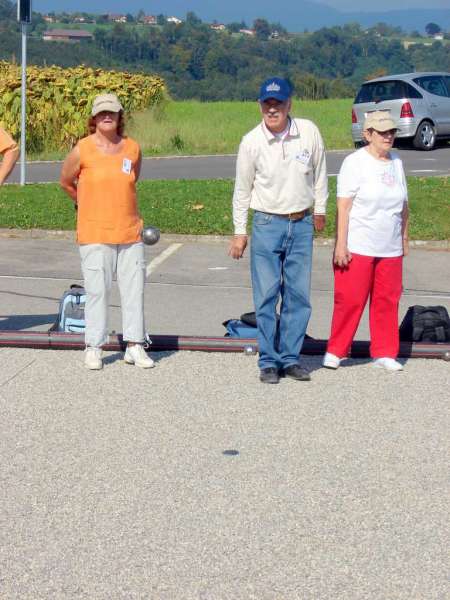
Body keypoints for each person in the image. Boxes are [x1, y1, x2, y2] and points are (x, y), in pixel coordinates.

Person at [229, 77, 328, 384]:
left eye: (278, 104)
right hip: (267, 223)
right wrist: (239, 231)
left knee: (298, 294)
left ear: (289, 105)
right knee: (267, 294)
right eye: (267, 104)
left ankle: (290, 357)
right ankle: (269, 360)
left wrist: (321, 209)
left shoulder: (308, 131)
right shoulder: (251, 142)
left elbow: (321, 171)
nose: (272, 110)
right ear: (260, 106)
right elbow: (242, 190)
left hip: (300, 222)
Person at [60, 93, 153, 370]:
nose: (107, 117)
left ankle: (135, 345)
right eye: (102, 113)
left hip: (129, 231)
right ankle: (94, 346)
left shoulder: (132, 148)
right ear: (94, 118)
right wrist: (84, 201)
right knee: (98, 291)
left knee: (134, 291)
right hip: (94, 232)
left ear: (120, 116)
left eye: (111, 112)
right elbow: (66, 181)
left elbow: (132, 178)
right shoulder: (83, 148)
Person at [323, 110, 409, 372]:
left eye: (391, 131)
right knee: (350, 299)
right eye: (382, 132)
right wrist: (341, 244)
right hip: (359, 243)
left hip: (390, 244)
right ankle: (336, 350)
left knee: (387, 300)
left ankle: (384, 352)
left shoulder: (396, 162)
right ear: (367, 134)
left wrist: (404, 237)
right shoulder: (354, 162)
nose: (388, 136)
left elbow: (404, 205)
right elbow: (344, 206)